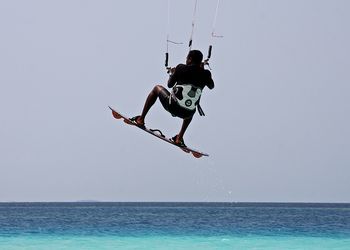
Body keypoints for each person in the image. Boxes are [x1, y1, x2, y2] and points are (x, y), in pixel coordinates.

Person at [131, 50, 214, 147]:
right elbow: (211, 86)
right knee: (191, 106)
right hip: (187, 114)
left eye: (187, 58)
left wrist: (173, 73)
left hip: (172, 106)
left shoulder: (181, 68)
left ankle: (141, 119)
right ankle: (179, 138)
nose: (186, 60)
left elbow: (169, 85)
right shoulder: (206, 74)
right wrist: (202, 70)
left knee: (156, 88)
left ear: (190, 59)